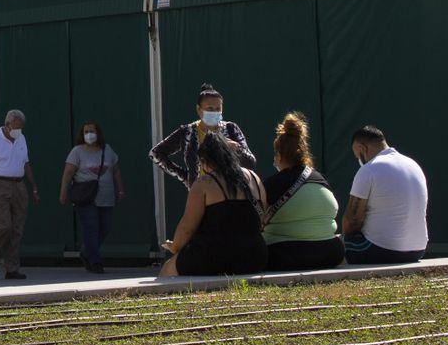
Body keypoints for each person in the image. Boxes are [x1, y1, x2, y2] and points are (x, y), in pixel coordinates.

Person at [159, 130, 267, 276]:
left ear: (204, 161)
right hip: (255, 256)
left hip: (214, 256)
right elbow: (263, 217)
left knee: (167, 269)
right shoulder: (255, 178)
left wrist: (175, 246)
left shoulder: (204, 184)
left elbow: (186, 229)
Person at [262, 112, 344, 271]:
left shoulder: (271, 184)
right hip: (331, 253)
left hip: (286, 255)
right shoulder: (320, 179)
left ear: (278, 155)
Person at [342, 126, 428, 264]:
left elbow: (351, 222)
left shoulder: (368, 170)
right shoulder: (414, 165)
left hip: (382, 251)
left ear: (362, 148)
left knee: (338, 244)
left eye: (357, 155)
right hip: (418, 250)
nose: (358, 159)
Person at [150, 83, 257, 188]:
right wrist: (184, 177)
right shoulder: (188, 132)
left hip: (228, 193)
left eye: (218, 109)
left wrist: (236, 149)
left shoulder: (231, 129)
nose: (214, 112)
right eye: (210, 109)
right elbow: (155, 153)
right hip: (199, 194)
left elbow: (251, 163)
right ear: (199, 109)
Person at [0, 109, 41, 280]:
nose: (19, 131)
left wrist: (34, 187)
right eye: (16, 127)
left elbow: (26, 163)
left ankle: (12, 268)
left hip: (18, 185)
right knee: (3, 225)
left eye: (21, 128)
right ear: (7, 125)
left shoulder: (21, 139)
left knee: (16, 229)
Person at [59, 120, 124, 273]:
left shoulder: (107, 150)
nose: (89, 135)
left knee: (105, 228)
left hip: (106, 196)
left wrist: (120, 190)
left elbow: (116, 171)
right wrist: (63, 192)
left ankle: (86, 251)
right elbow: (68, 173)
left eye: (92, 131)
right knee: (91, 228)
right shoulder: (77, 152)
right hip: (86, 197)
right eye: (86, 132)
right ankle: (95, 261)